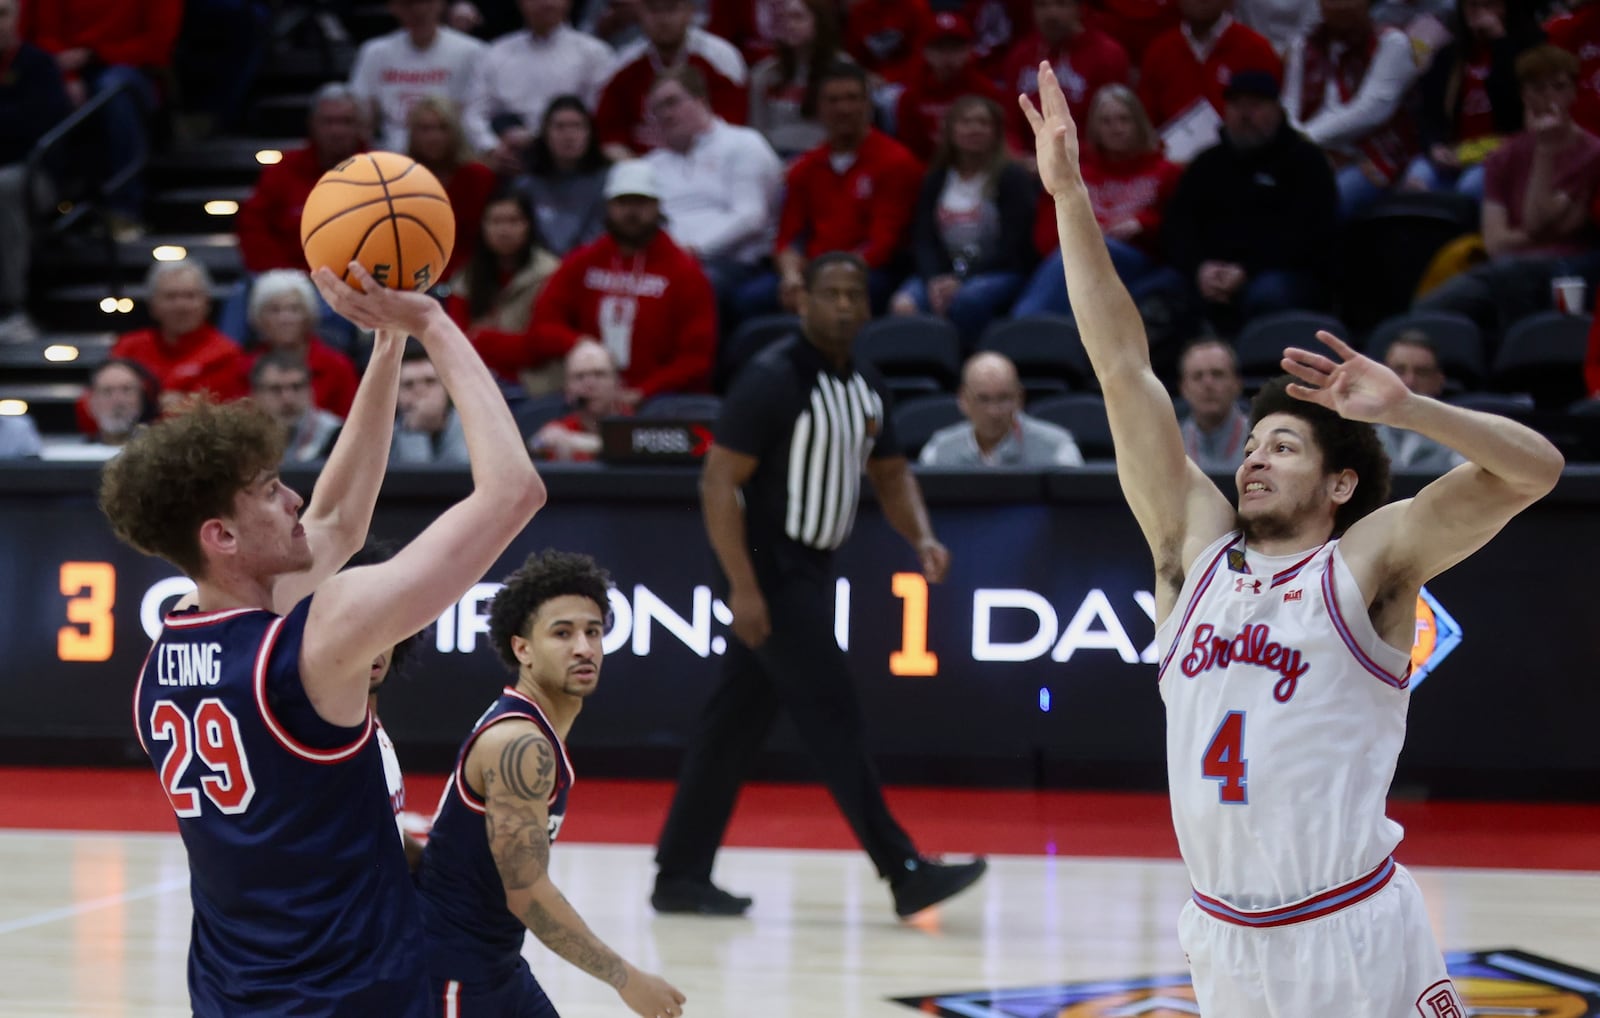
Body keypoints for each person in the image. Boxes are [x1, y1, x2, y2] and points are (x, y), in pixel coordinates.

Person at [1021, 58, 1563, 1017]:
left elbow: (1537, 471)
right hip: (1223, 933)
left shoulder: (1368, 561)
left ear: (1341, 481)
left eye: (1284, 446)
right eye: (1253, 444)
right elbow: (1119, 365)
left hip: (1348, 930)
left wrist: (1413, 408)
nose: (1254, 460)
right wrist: (1070, 197)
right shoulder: (1193, 552)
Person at [100, 255, 546, 1015]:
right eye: (269, 494)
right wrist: (433, 322)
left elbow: (338, 522)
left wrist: (385, 345)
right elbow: (513, 492)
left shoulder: (161, 665)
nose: (293, 497)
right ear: (223, 537)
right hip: (349, 993)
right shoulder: (315, 640)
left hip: (231, 992)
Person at [653, 250, 987, 919]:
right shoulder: (772, 379)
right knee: (832, 712)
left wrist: (920, 536)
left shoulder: (866, 382)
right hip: (768, 566)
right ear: (801, 301)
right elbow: (718, 483)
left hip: (807, 568)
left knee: (733, 725)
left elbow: (891, 474)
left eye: (853, 294)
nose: (842, 306)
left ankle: (680, 876)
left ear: (867, 305)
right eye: (828, 293)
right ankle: (904, 873)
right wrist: (742, 589)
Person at [416, 550, 686, 1018]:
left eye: (593, 631)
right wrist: (625, 978)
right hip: (454, 972)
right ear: (522, 648)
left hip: (495, 964)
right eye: (562, 633)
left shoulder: (534, 726)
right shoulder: (520, 744)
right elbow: (527, 894)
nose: (583, 647)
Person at [1413, 46, 1600, 339]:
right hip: (1505, 267)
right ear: (1524, 94)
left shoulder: (1592, 153)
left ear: (1575, 92)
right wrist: (1538, 233)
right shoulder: (1504, 157)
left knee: (1514, 278)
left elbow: (1548, 225)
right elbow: (1497, 243)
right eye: (1538, 88)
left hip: (1568, 267)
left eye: (1560, 87)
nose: (1550, 97)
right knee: (1426, 313)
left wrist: (1546, 151)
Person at [1161, 68, 1340, 337]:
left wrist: (1246, 270)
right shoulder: (1207, 163)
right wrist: (1200, 268)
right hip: (1209, 271)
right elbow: (1177, 227)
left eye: (1254, 106)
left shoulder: (1305, 161)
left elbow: (1311, 235)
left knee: (1268, 294)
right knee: (1158, 291)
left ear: (1277, 110)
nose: (1244, 115)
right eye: (1236, 106)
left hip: (1281, 272)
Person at [528, 160, 718, 407]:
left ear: (658, 207)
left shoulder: (685, 271)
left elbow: (696, 359)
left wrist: (643, 392)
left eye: (641, 203)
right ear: (608, 206)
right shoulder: (583, 261)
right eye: (623, 203)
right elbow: (543, 326)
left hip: (659, 398)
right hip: (590, 394)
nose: (631, 212)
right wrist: (582, 346)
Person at [1014, 83, 1184, 318]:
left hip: (1136, 257)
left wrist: (1142, 224)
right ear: (1095, 127)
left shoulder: (1166, 172)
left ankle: (1025, 324)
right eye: (1107, 121)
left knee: (1098, 250)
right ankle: (1037, 329)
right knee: (1080, 254)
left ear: (1139, 123)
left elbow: (1180, 225)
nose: (1116, 129)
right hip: (1077, 260)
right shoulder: (1073, 171)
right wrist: (1083, 236)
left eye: (1124, 120)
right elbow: (1045, 232)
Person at [889, 95, 1039, 347]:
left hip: (997, 271)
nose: (974, 129)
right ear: (950, 130)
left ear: (996, 131)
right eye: (966, 122)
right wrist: (934, 279)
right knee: (904, 305)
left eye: (983, 122)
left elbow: (1013, 246)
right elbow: (923, 239)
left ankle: (970, 369)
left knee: (967, 300)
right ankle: (925, 376)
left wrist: (962, 279)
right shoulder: (936, 178)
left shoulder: (1012, 177)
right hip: (944, 271)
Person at [1280, 0, 1424, 217]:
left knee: (1320, 201)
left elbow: (1370, 111)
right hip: (1306, 152)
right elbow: (1288, 106)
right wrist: (1301, 148)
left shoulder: (1392, 43)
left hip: (1366, 156)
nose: (1340, 5)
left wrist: (1303, 142)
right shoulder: (1304, 45)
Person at [345, 537, 432, 871]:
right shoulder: (321, 737)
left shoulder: (369, 723)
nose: (374, 642)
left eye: (384, 623)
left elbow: (382, 835)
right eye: (356, 624)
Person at [1404, 0, 1544, 199]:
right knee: (1416, 179)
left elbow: (1514, 108)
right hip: (1455, 150)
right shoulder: (1449, 55)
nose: (1480, 13)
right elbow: (1428, 113)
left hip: (1506, 150)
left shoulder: (1530, 48)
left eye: (1489, 4)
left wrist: (1499, 42)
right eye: (1473, 6)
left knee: (1469, 188)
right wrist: (1434, 146)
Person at [471, 0, 617, 177]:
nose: (545, 2)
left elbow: (603, 115)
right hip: (513, 162)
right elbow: (474, 114)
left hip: (578, 162)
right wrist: (492, 147)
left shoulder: (595, 54)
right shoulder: (496, 53)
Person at [0, 0, 72, 342]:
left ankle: (13, 307)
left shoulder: (38, 64)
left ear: (18, 17)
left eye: (2, 13)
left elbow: (34, 128)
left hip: (33, 175)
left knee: (4, 187)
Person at [594, 0, 748, 158]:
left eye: (671, 8)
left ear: (690, 12)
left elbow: (733, 125)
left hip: (711, 163)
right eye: (654, 10)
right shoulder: (624, 62)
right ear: (639, 13)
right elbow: (609, 133)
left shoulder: (720, 56)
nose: (663, 19)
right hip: (643, 168)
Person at [445, 188, 564, 391]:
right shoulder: (466, 277)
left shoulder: (552, 273)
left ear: (529, 225)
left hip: (534, 386)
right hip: (477, 384)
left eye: (513, 221)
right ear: (483, 226)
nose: (504, 230)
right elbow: (454, 343)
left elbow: (542, 345)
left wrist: (483, 339)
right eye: (495, 221)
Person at [348, 0, 492, 153]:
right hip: (391, 153)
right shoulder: (374, 52)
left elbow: (477, 114)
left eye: (425, 2)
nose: (418, 10)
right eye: (408, 4)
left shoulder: (472, 52)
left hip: (451, 153)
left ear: (441, 3)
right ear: (393, 7)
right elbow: (360, 112)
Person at [107, 260, 248, 411]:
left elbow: (231, 411)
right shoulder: (128, 348)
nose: (181, 305)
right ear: (152, 305)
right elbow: (89, 408)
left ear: (207, 303)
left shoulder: (227, 354)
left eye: (190, 296)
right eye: (170, 296)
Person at [918, 351, 1085, 466]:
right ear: (964, 400)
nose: (994, 411)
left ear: (1019, 398)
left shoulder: (1057, 449)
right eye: (983, 399)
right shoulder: (939, 451)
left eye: (1003, 398)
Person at [405, 96, 497, 282]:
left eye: (442, 128)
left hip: (472, 279)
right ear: (413, 134)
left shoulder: (480, 177)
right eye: (425, 129)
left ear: (455, 132)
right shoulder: (399, 178)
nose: (434, 137)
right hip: (411, 278)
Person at [247, 269, 360, 418]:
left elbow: (353, 420)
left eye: (294, 309)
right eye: (275, 310)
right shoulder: (242, 368)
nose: (285, 319)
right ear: (259, 318)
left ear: (309, 315)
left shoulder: (338, 367)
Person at [519, 96, 613, 257]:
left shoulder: (609, 181)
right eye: (559, 127)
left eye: (577, 126)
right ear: (545, 133)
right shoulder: (525, 185)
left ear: (589, 133)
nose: (569, 135)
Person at [1374, 331, 1466, 473]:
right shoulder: (1359, 436)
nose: (1409, 381)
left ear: (1438, 382)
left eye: (1422, 372)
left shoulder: (1460, 442)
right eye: (1399, 370)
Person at [530, 341, 629, 462]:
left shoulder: (637, 427)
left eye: (599, 374)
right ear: (567, 391)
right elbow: (533, 445)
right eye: (579, 376)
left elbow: (630, 446)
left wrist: (578, 442)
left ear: (618, 384)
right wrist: (542, 440)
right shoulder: (561, 429)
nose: (589, 384)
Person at [251, 352, 344, 463]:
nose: (288, 399)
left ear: (311, 391)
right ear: (256, 395)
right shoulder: (245, 439)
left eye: (297, 387)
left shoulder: (335, 435)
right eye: (275, 389)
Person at [1175, 337, 1250, 472]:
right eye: (1198, 376)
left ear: (1237, 384)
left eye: (1217, 374)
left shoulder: (1263, 442)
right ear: (1184, 388)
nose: (1208, 384)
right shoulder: (1168, 445)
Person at [392, 342, 470, 464]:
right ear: (396, 394)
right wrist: (414, 431)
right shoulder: (383, 440)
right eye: (408, 385)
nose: (420, 392)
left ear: (447, 389)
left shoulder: (474, 430)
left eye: (430, 381)